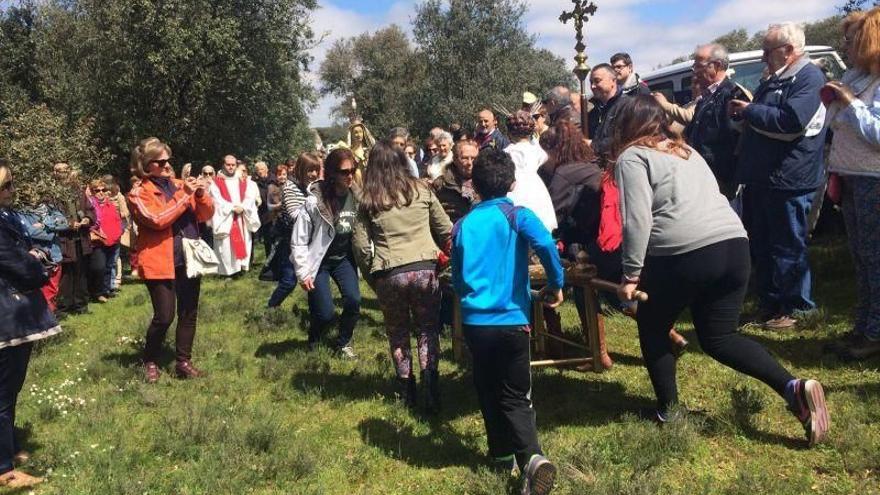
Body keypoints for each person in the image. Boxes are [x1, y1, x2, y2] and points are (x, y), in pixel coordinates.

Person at [612, 95, 829, 446]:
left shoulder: (633, 156)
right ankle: (792, 388)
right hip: (734, 244)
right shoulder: (687, 151)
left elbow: (637, 220)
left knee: (652, 325)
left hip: (685, 251)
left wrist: (631, 274)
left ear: (626, 126)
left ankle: (669, 410)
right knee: (720, 337)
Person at [452, 147, 563, 494]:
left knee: (487, 387)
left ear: (474, 185)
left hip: (476, 323)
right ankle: (531, 458)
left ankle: (501, 456)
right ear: (513, 183)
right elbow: (546, 242)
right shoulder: (517, 215)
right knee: (517, 395)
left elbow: (457, 280)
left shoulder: (462, 225)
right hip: (514, 321)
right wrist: (556, 284)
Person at [730, 22, 828, 329]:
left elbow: (791, 122)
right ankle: (770, 304)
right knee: (762, 244)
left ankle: (798, 308)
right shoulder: (775, 79)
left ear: (788, 51)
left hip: (789, 178)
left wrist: (749, 111)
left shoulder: (809, 78)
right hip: (763, 177)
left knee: (788, 245)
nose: (762, 57)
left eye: (766, 51)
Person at [353, 142, 452, 412]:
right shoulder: (422, 189)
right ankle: (430, 386)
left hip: (389, 271)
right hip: (424, 269)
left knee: (398, 333)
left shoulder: (368, 200)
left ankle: (406, 391)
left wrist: (372, 277)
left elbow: (361, 247)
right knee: (427, 330)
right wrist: (449, 262)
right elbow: (446, 230)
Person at [128, 138, 214, 383]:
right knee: (165, 315)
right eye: (161, 161)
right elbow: (156, 219)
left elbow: (206, 214)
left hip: (188, 258)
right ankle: (150, 359)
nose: (167, 165)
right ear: (146, 165)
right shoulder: (138, 194)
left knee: (189, 311)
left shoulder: (178, 184)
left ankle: (183, 362)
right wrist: (185, 196)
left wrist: (200, 193)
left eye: (169, 160)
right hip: (159, 261)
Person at [0, 160, 62, 489]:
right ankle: (3, 468)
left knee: (11, 388)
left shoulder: (7, 216)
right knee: (1, 391)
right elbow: (14, 262)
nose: (11, 191)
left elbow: (26, 248)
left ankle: (7, 446)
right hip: (5, 311)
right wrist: (38, 267)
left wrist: (36, 256)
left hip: (14, 307)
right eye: (6, 186)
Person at [823, 8, 880, 359]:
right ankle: (864, 325)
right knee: (861, 256)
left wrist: (850, 103)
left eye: (851, 38)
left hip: (874, 180)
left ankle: (875, 333)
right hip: (851, 177)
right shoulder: (858, 76)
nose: (846, 46)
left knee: (875, 258)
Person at [538, 121, 612, 368]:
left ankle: (599, 353)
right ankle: (671, 335)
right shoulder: (592, 164)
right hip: (606, 236)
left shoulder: (564, 173)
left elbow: (552, 215)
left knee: (585, 290)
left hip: (589, 240)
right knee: (617, 292)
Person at [291, 148, 361, 358]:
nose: (349, 176)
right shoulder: (315, 201)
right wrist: (303, 273)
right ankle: (314, 338)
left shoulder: (357, 196)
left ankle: (343, 343)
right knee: (325, 313)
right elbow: (299, 240)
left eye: (353, 171)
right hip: (318, 261)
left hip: (343, 259)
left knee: (353, 300)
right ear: (331, 172)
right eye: (344, 172)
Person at [684, 44, 751, 199]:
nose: (695, 71)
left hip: (722, 179)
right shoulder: (706, 97)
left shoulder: (733, 95)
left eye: (698, 66)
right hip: (703, 175)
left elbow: (740, 139)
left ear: (716, 66)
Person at [267, 153, 321, 308]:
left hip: (307, 240)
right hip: (289, 240)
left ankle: (316, 313)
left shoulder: (311, 187)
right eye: (310, 170)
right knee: (289, 281)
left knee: (313, 278)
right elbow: (295, 215)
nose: (314, 174)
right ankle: (272, 307)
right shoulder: (290, 187)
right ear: (301, 169)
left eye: (316, 170)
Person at [53, 162, 95, 317]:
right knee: (66, 273)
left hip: (81, 237)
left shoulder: (78, 191)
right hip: (64, 239)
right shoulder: (51, 194)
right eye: (60, 171)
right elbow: (51, 217)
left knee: (81, 272)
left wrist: (87, 220)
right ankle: (64, 306)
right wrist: (69, 224)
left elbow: (90, 209)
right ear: (55, 173)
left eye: (66, 170)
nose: (63, 173)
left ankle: (81, 305)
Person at [504, 111, 557, 232]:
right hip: (536, 187)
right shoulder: (538, 151)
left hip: (515, 186)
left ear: (510, 133)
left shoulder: (509, 151)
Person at [209, 155, 261, 276]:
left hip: (242, 216)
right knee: (226, 247)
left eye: (233, 165)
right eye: (228, 164)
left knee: (243, 241)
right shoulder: (216, 183)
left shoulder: (244, 180)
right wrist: (232, 208)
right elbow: (216, 200)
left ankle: (241, 268)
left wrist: (243, 207)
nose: (231, 167)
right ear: (223, 165)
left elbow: (251, 194)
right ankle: (227, 272)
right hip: (227, 218)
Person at [19, 201, 67, 313]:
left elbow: (64, 222)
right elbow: (30, 232)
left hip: (55, 255)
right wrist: (54, 230)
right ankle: (44, 321)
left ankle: (51, 319)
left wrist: (45, 225)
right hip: (39, 258)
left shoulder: (50, 206)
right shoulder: (22, 212)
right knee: (40, 294)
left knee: (53, 290)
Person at [87, 179, 123, 303]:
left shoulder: (110, 205)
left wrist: (117, 236)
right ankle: (96, 292)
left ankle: (105, 291)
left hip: (113, 240)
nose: (101, 193)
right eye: (97, 190)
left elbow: (117, 221)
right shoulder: (91, 206)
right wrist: (99, 235)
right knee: (99, 267)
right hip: (98, 242)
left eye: (103, 190)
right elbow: (91, 224)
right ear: (92, 192)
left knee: (109, 266)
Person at [433, 140, 478, 224]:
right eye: (464, 158)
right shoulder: (441, 184)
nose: (470, 163)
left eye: (474, 158)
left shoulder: (485, 182)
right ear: (455, 160)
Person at [587, 64, 624, 160]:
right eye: (591, 82)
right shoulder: (593, 112)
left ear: (613, 81)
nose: (592, 86)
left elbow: (624, 140)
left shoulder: (627, 106)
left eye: (597, 81)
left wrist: (593, 145)